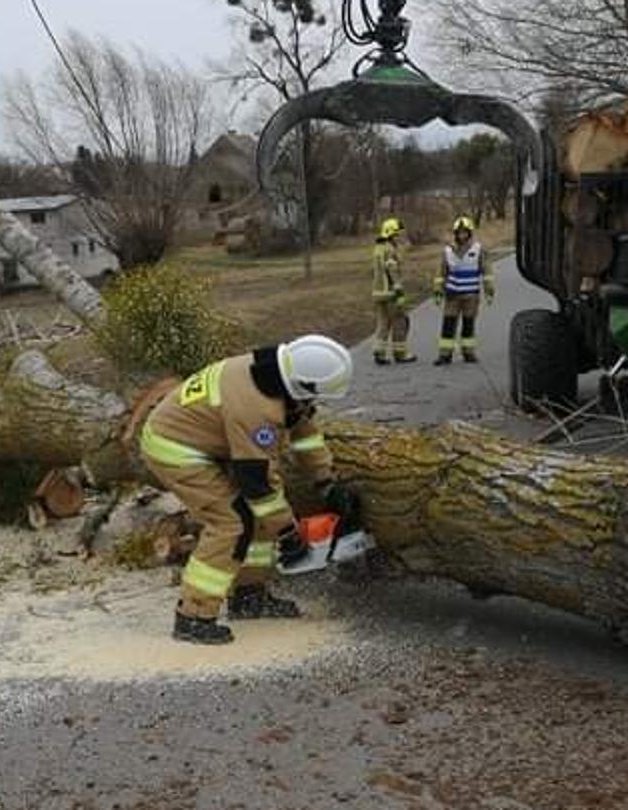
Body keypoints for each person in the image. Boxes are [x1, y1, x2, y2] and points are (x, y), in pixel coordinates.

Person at [138, 335, 362, 645]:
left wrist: (327, 482)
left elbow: (305, 434)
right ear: (303, 384)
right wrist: (288, 532)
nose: (315, 402)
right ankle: (193, 615)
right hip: (174, 448)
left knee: (256, 519)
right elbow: (257, 482)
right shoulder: (257, 409)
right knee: (231, 522)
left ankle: (249, 597)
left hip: (205, 440)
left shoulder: (279, 378)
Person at [433, 216, 495, 365]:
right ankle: (445, 355)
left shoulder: (478, 250)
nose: (462, 235)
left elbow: (487, 271)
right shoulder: (448, 251)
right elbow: (441, 272)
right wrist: (438, 290)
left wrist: (489, 290)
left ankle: (468, 353)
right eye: (459, 232)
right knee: (448, 324)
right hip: (452, 294)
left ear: (469, 233)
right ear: (455, 234)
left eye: (465, 232)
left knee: (468, 324)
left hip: (471, 295)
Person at [370, 217, 418, 365]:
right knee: (400, 321)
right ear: (391, 234)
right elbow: (392, 271)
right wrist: (399, 291)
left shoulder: (378, 248)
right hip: (391, 293)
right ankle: (400, 353)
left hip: (378, 293)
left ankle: (379, 351)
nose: (400, 237)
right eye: (397, 234)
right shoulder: (390, 250)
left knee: (383, 322)